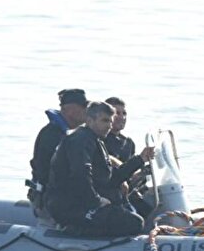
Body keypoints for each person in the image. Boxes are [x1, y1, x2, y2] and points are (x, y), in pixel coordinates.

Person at [46, 101, 155, 236]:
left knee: (139, 211)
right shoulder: (80, 140)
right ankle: (77, 233)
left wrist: (140, 159)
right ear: (90, 120)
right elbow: (80, 176)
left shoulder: (96, 141)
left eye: (110, 121)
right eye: (104, 121)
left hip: (82, 202)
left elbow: (110, 178)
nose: (109, 126)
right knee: (133, 222)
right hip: (70, 206)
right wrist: (96, 201)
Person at [27, 88, 88, 215]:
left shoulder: (73, 135)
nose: (87, 111)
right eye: (83, 107)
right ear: (68, 109)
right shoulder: (52, 135)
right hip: (49, 199)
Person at [103, 96, 153, 218]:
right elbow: (112, 177)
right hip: (108, 194)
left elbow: (129, 175)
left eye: (124, 113)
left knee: (149, 208)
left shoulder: (128, 143)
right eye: (117, 113)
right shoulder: (100, 141)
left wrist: (144, 172)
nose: (122, 117)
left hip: (128, 192)